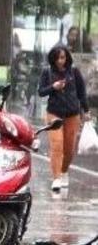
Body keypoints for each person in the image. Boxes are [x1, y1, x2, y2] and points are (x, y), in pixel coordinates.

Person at [38, 44, 90, 192]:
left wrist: (86, 110)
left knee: (69, 148)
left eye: (63, 57)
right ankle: (56, 178)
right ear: (53, 59)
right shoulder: (47, 72)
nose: (61, 61)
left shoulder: (74, 72)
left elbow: (82, 92)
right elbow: (41, 92)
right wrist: (53, 87)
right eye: (58, 58)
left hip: (72, 115)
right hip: (54, 113)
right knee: (56, 145)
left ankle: (64, 171)